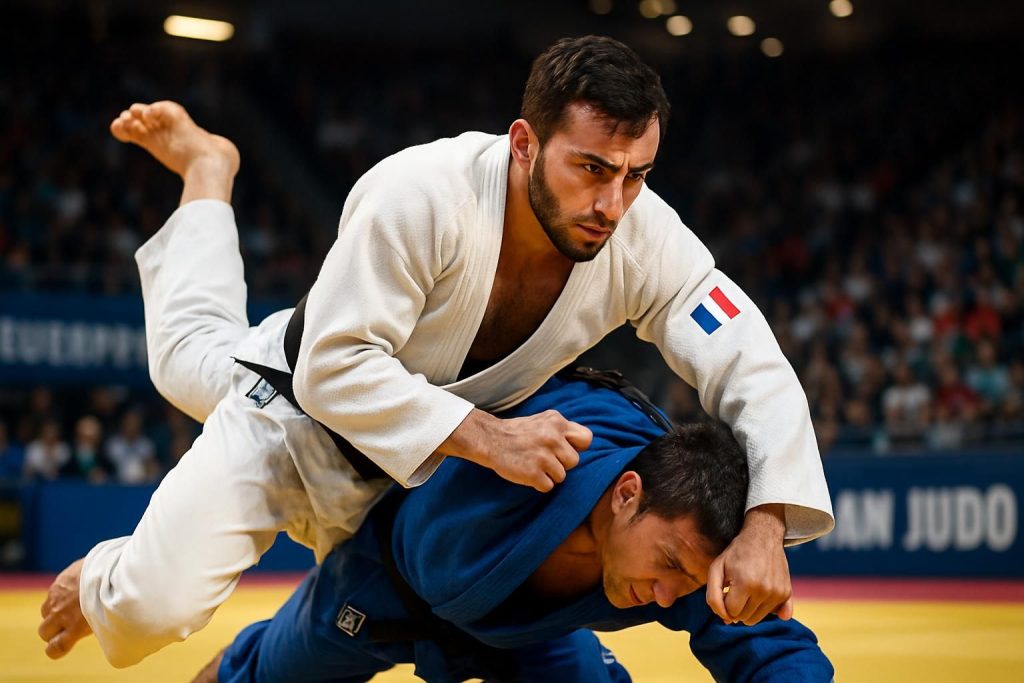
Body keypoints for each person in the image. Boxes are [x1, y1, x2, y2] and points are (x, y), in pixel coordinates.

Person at [40, 36, 832, 667]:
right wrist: (491, 437)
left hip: (401, 487)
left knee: (191, 353)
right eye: (591, 168)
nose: (613, 203)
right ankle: (210, 171)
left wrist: (766, 518)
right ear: (524, 142)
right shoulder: (421, 193)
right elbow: (330, 368)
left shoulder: (643, 234)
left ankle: (210, 173)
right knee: (150, 606)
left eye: (635, 175)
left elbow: (746, 357)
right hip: (290, 419)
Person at [206, 375, 833, 682]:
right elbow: (438, 565)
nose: (669, 595)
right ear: (625, 494)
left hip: (530, 635)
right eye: (669, 566)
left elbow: (764, 645)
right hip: (384, 588)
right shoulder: (536, 454)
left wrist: (763, 526)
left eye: (689, 583)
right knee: (259, 675)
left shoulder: (683, 525)